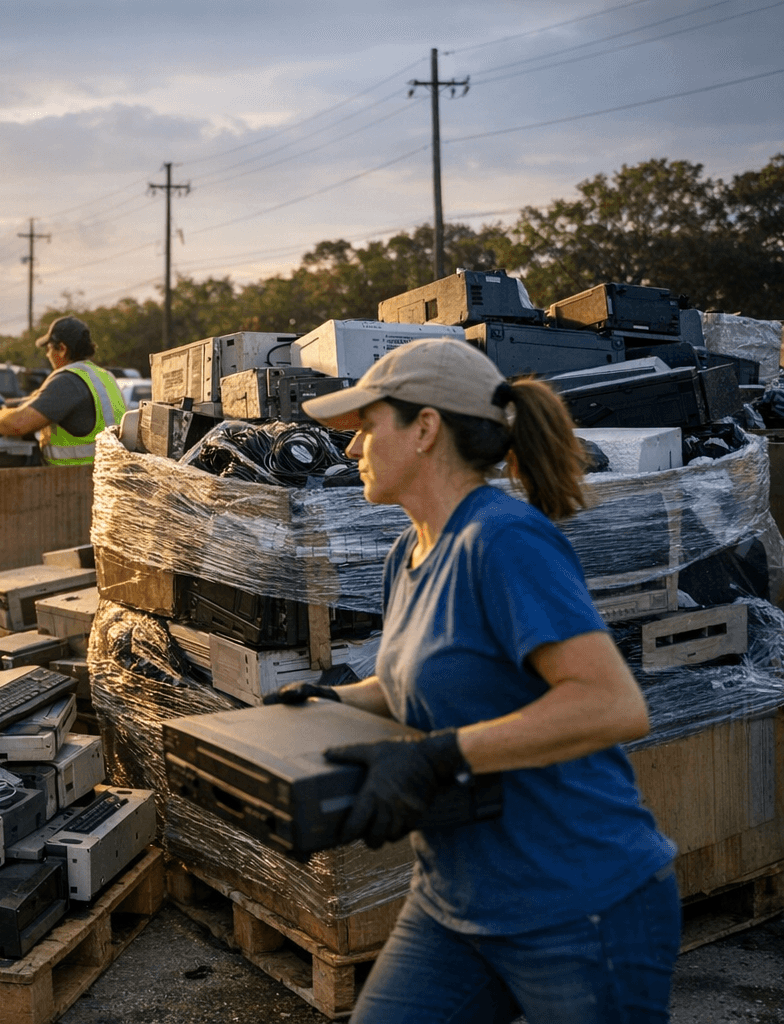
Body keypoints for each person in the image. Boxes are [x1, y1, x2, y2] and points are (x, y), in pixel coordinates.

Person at [282, 337, 679, 1023]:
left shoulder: (503, 541)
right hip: (456, 901)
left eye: (367, 428)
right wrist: (327, 703)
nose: (350, 451)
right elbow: (416, 681)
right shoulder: (413, 546)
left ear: (425, 429)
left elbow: (612, 706)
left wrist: (440, 756)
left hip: (578, 902)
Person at [0, 316, 125, 465]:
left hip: (78, 480)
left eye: (48, 348)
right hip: (108, 476)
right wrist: (13, 403)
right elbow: (46, 400)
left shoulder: (67, 380)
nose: (47, 354)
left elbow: (18, 424)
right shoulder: (104, 376)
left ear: (62, 349)